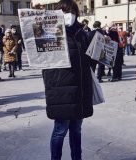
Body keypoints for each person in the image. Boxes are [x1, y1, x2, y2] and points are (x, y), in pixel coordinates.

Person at [32, 0, 93, 160]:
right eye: (65, 12)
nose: (70, 15)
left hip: (80, 91)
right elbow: (38, 51)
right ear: (57, 14)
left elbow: (89, 61)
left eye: (72, 11)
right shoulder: (49, 32)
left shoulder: (82, 33)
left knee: (77, 130)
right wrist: (38, 17)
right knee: (60, 130)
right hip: (61, 91)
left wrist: (102, 50)